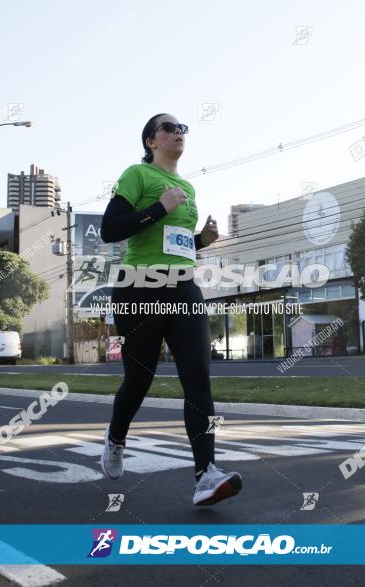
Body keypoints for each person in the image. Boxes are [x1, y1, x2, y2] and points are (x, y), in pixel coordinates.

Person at [98, 113, 243, 506]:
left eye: (182, 129)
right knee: (138, 380)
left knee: (198, 379)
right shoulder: (137, 175)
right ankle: (115, 437)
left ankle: (205, 474)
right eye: (169, 128)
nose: (178, 133)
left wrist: (203, 240)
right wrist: (159, 207)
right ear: (151, 141)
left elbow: (174, 245)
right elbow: (111, 229)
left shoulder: (187, 187)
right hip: (138, 289)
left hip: (182, 287)